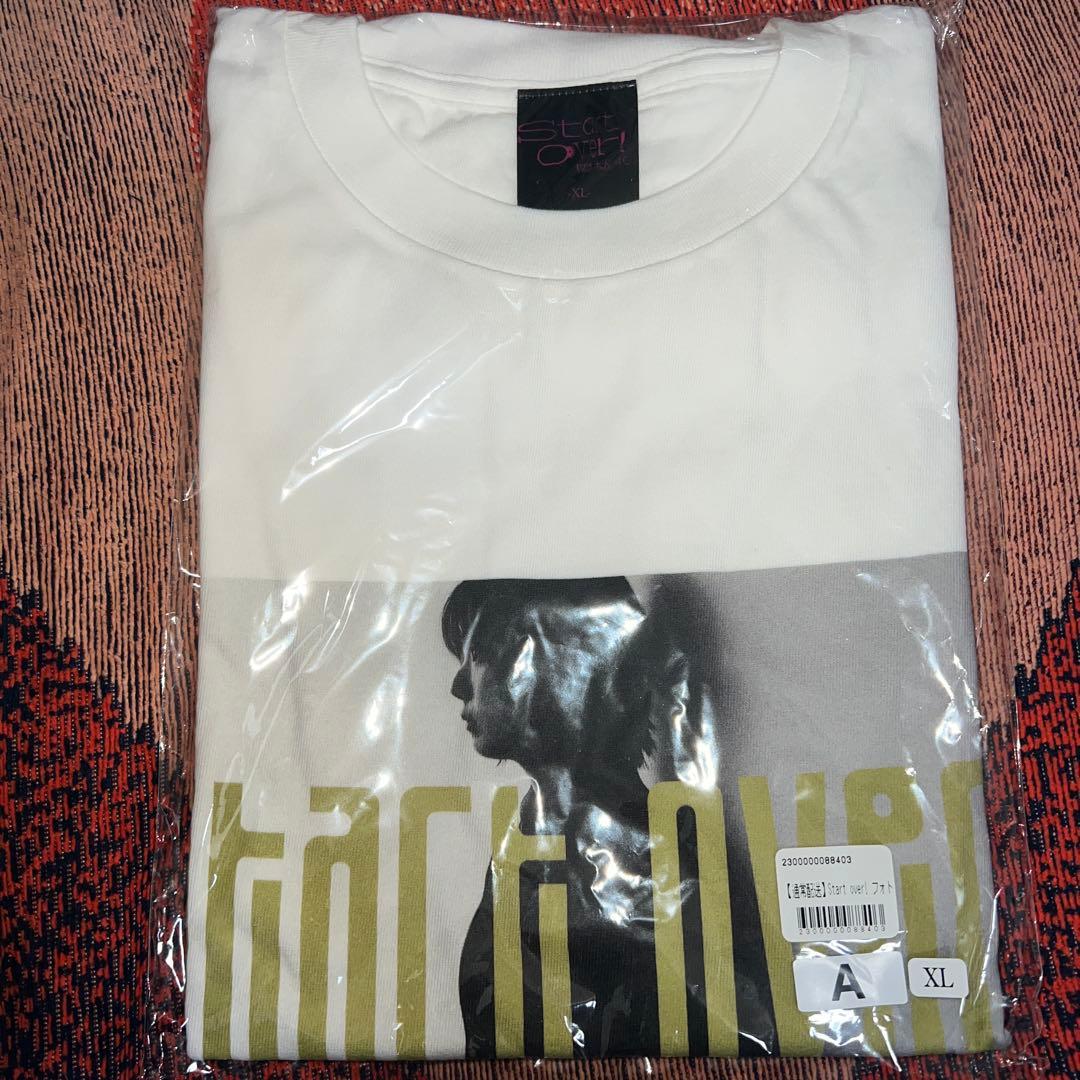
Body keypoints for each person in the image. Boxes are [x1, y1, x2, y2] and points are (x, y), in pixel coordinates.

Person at [441, 576, 771, 1059]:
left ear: (572, 662)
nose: (457, 685)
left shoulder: (669, 866)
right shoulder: (521, 851)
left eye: (482, 652)